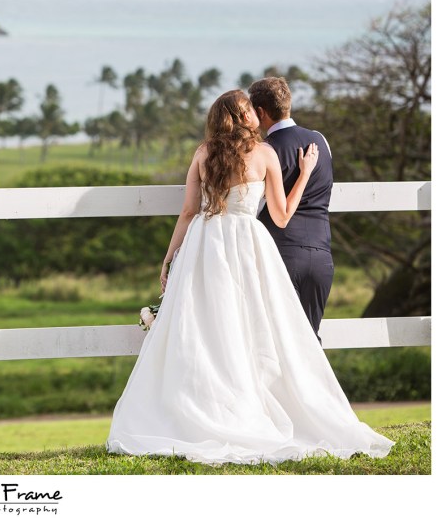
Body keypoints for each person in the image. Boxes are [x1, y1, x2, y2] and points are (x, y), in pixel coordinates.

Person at [106, 89, 393, 465]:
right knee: (253, 324)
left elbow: (188, 212)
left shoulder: (203, 152)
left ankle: (206, 405)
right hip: (247, 243)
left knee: (205, 327)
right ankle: (249, 402)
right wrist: (304, 173)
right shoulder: (265, 154)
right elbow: (283, 216)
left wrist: (168, 257)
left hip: (204, 243)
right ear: (247, 117)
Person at [250, 77, 333, 342]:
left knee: (280, 345)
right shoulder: (320, 141)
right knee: (310, 343)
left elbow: (254, 206)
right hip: (321, 255)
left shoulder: (264, 151)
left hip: (281, 254)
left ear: (260, 112)